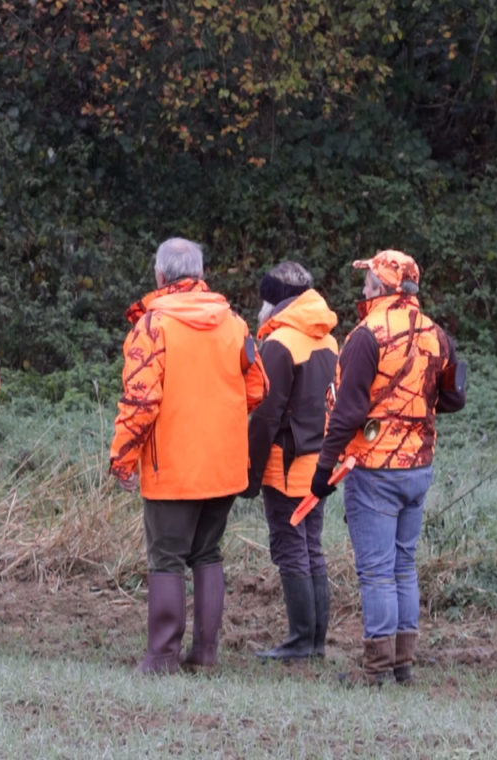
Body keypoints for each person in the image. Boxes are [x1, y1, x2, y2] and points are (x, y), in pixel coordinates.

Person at [109, 238, 266, 673]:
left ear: (160, 276)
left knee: (167, 557)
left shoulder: (153, 326)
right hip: (225, 465)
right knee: (208, 554)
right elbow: (259, 389)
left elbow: (140, 401)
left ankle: (162, 656)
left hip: (172, 467)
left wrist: (122, 456)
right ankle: (206, 655)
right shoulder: (233, 323)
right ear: (199, 274)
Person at [311, 249, 466, 685]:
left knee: (377, 571)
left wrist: (324, 468)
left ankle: (376, 670)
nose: (362, 289)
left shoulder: (367, 334)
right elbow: (455, 398)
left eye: (367, 282)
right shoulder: (437, 334)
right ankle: (402, 666)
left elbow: (347, 411)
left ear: (382, 287)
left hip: (375, 468)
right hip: (419, 467)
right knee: (402, 565)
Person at [245, 262, 339, 661]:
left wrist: (249, 474)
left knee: (289, 549)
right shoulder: (328, 339)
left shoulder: (279, 345)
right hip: (319, 466)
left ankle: (301, 642)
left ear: (274, 303)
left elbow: (267, 417)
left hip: (285, 468)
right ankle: (314, 642)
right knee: (311, 548)